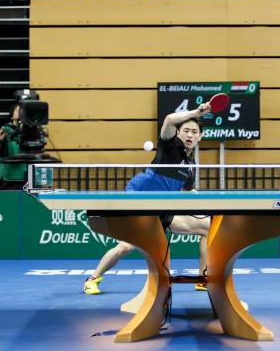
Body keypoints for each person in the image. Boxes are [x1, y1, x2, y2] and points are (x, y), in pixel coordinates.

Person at [84, 102, 213, 294]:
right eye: (186, 130)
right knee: (126, 246)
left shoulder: (190, 165)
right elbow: (169, 119)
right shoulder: (170, 145)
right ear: (178, 133)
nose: (190, 135)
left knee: (207, 227)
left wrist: (208, 201)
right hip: (139, 200)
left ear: (200, 137)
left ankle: (203, 278)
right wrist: (195, 112)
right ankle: (93, 279)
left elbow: (188, 191)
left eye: (194, 132)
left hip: (162, 208)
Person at [0, 103, 27, 189]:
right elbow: (0, 152)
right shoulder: (6, 129)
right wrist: (1, 141)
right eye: (17, 110)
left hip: (25, 174)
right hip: (10, 175)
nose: (20, 112)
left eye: (22, 111)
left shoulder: (30, 132)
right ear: (12, 116)